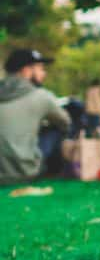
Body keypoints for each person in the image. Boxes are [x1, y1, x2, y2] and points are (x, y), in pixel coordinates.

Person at [0, 49, 70, 184]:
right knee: (59, 128)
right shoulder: (41, 96)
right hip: (25, 174)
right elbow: (65, 122)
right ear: (26, 71)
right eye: (40, 69)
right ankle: (55, 174)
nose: (44, 74)